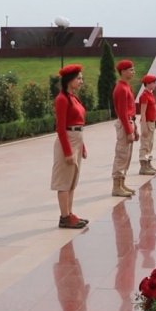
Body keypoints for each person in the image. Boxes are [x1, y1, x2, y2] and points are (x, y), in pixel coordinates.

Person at [51, 64, 89, 229]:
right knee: (64, 181)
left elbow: (79, 123)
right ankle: (64, 216)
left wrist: (82, 147)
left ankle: (69, 213)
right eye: (78, 78)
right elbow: (60, 127)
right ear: (69, 80)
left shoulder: (74, 98)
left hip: (76, 139)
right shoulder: (62, 99)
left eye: (81, 78)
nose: (81, 81)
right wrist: (67, 151)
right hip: (67, 140)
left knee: (72, 180)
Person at [111, 59, 139, 197]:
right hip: (124, 123)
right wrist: (128, 131)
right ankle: (116, 186)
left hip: (129, 122)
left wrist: (135, 128)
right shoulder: (121, 88)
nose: (133, 72)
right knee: (122, 155)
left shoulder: (127, 86)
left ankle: (122, 183)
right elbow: (122, 112)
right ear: (123, 71)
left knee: (127, 156)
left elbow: (131, 110)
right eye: (131, 70)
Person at [138, 74, 156, 176]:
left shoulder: (150, 94)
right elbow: (142, 112)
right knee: (145, 145)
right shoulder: (144, 96)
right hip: (147, 123)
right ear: (148, 84)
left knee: (149, 144)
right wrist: (144, 127)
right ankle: (143, 166)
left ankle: (148, 164)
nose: (155, 84)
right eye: (153, 83)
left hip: (151, 122)